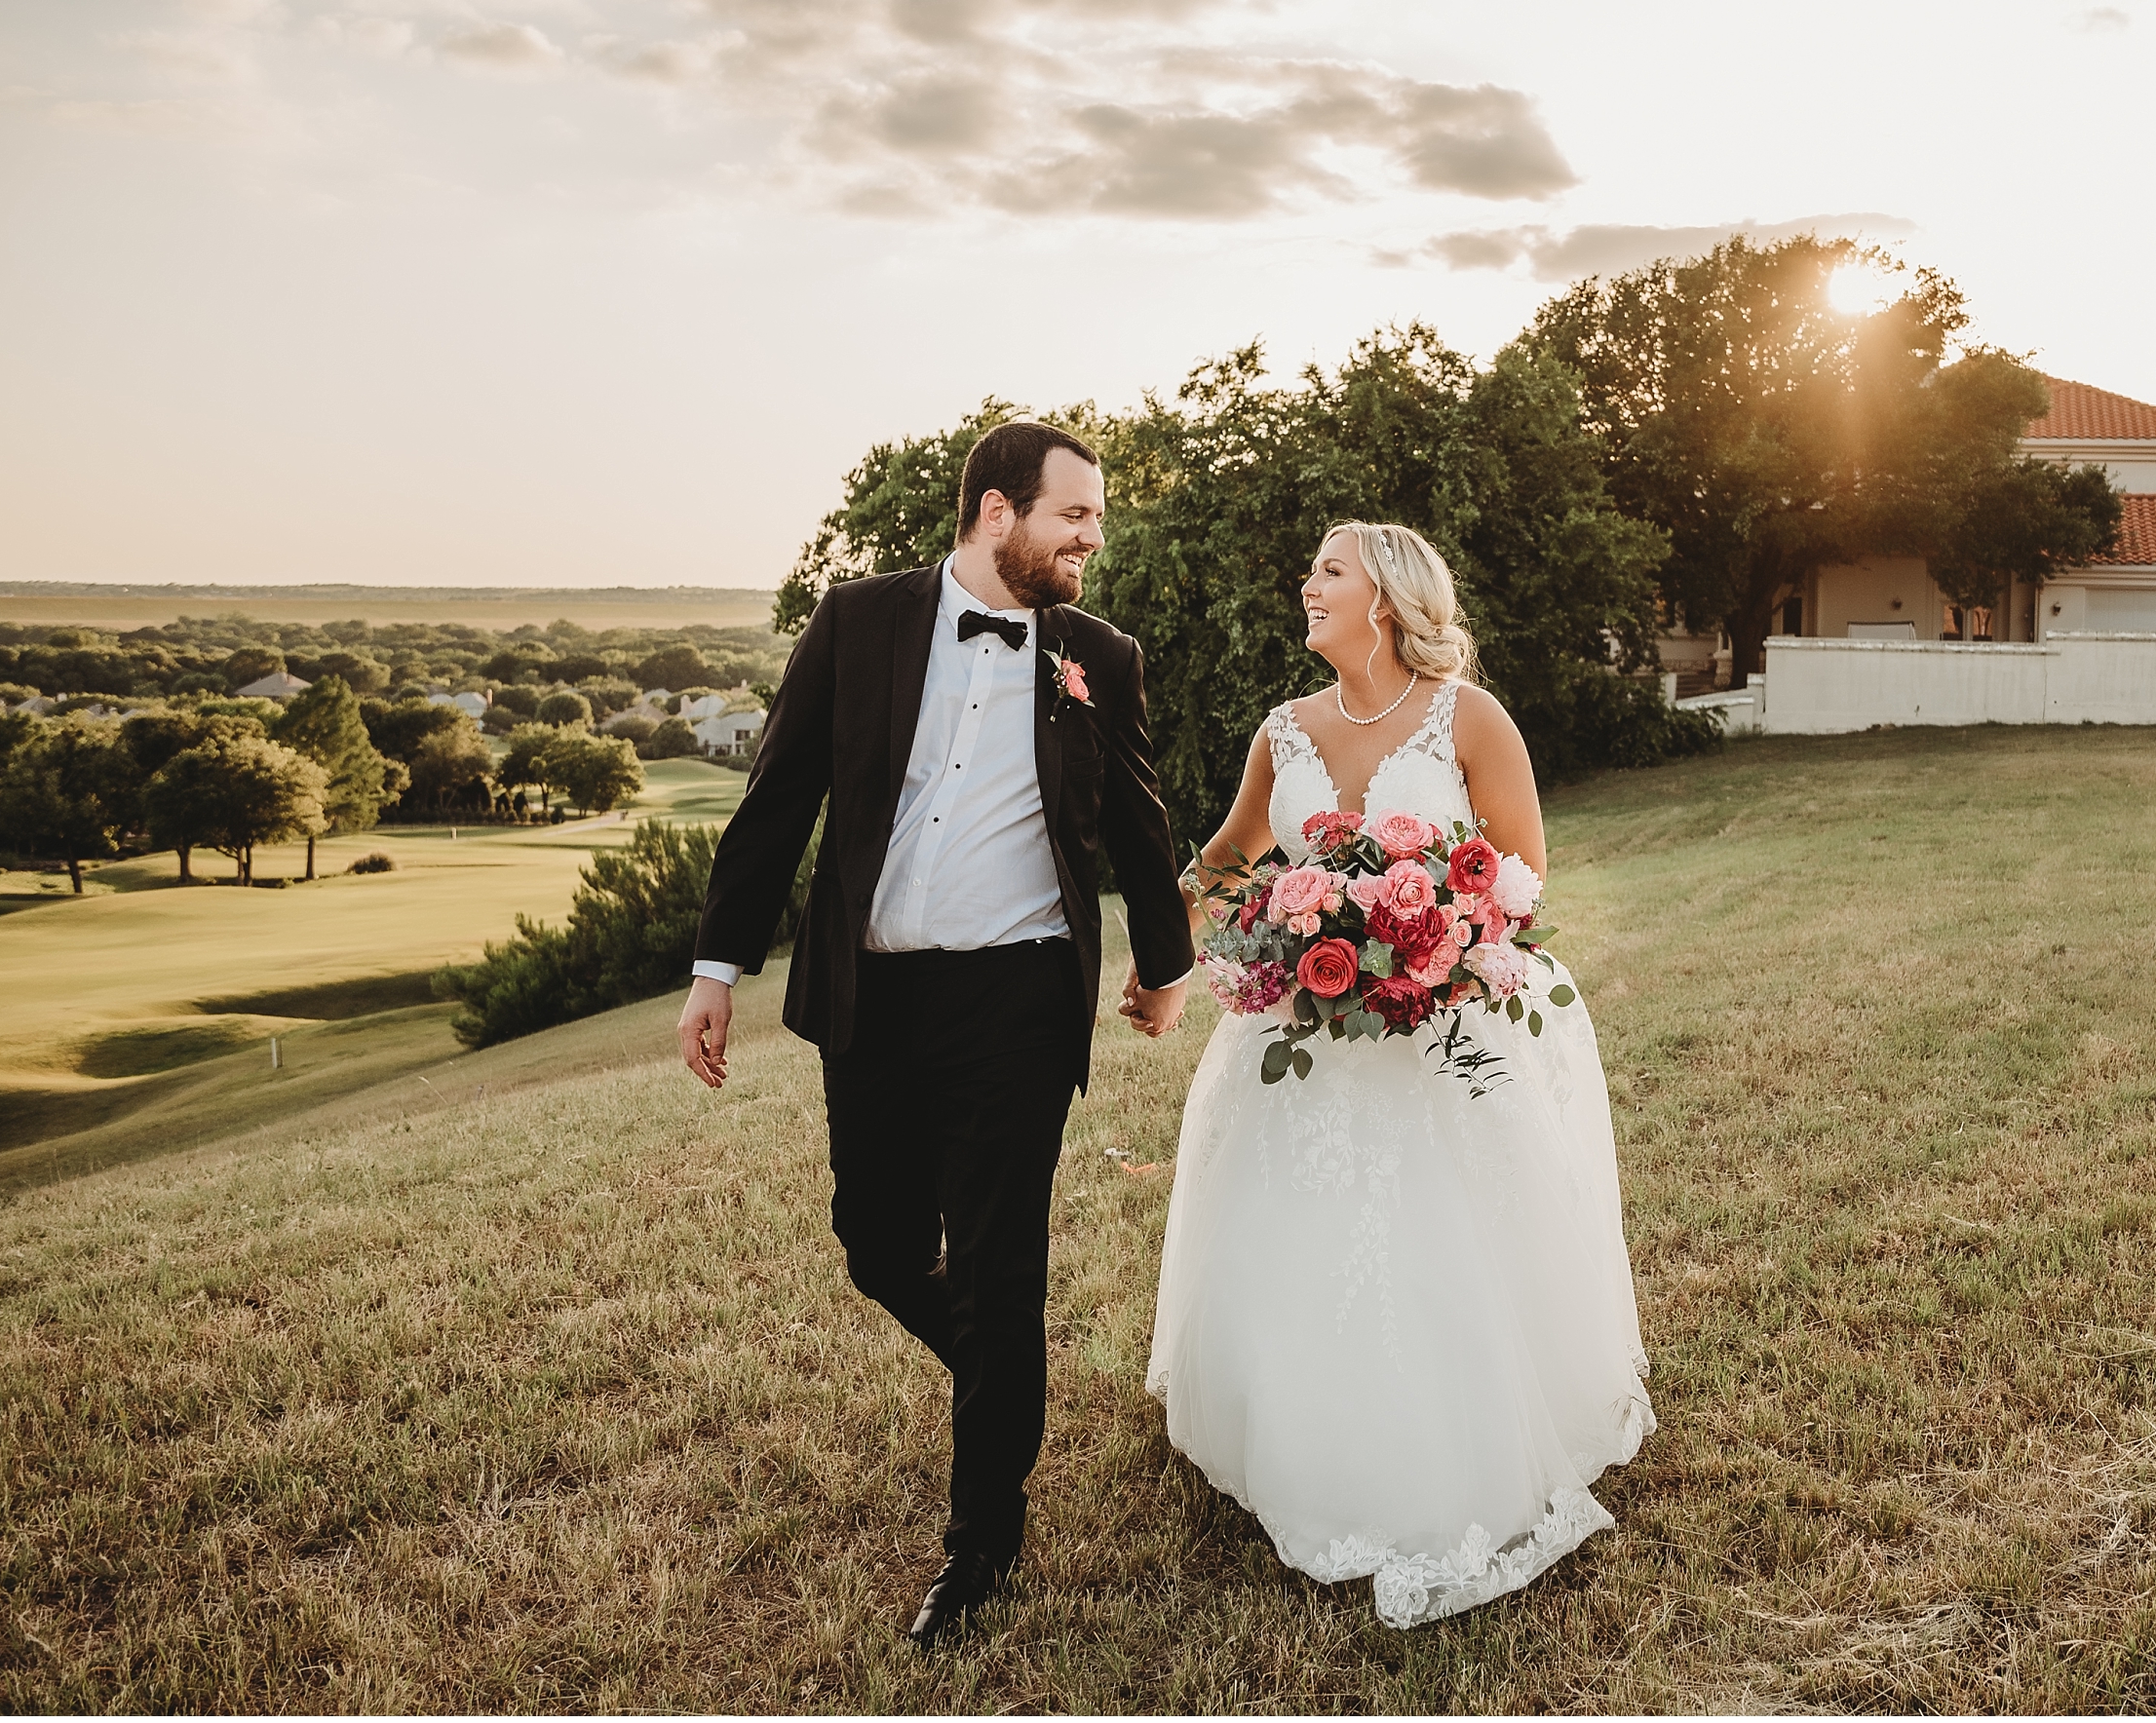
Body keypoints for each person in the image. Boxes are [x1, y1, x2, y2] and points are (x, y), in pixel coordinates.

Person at [678, 421, 1197, 1649]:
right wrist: (715, 969)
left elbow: (1136, 817)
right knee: (876, 1242)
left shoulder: (1097, 655)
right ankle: (999, 1366)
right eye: (1073, 515)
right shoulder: (858, 623)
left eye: (1096, 518)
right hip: (874, 996)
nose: (1091, 538)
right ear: (994, 513)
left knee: (1004, 1267)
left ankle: (981, 1542)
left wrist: (1165, 968)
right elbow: (778, 798)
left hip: (1016, 1001)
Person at [1146, 521, 1655, 1629]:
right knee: (1298, 1237)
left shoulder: (1470, 718)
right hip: (1304, 1027)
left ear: (1384, 595)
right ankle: (1302, 1433)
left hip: (1442, 1022)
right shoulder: (1282, 731)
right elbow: (1233, 854)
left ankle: (1443, 1444)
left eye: (1327, 570)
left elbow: (1517, 875)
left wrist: (1443, 935)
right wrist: (1166, 938)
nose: (1306, 584)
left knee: (1437, 1238)